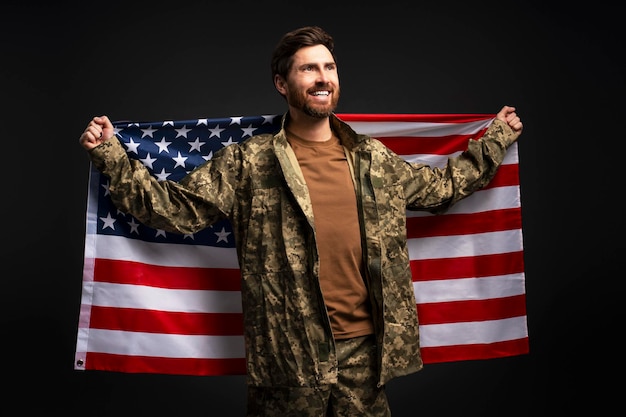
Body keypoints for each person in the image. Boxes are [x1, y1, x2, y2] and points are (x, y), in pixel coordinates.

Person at [79, 25, 523, 417]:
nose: (322, 78)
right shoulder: (249, 162)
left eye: (329, 67)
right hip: (288, 356)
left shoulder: (372, 160)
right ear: (282, 82)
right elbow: (176, 208)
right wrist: (112, 155)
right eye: (308, 69)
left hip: (365, 352)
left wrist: (497, 137)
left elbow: (442, 188)